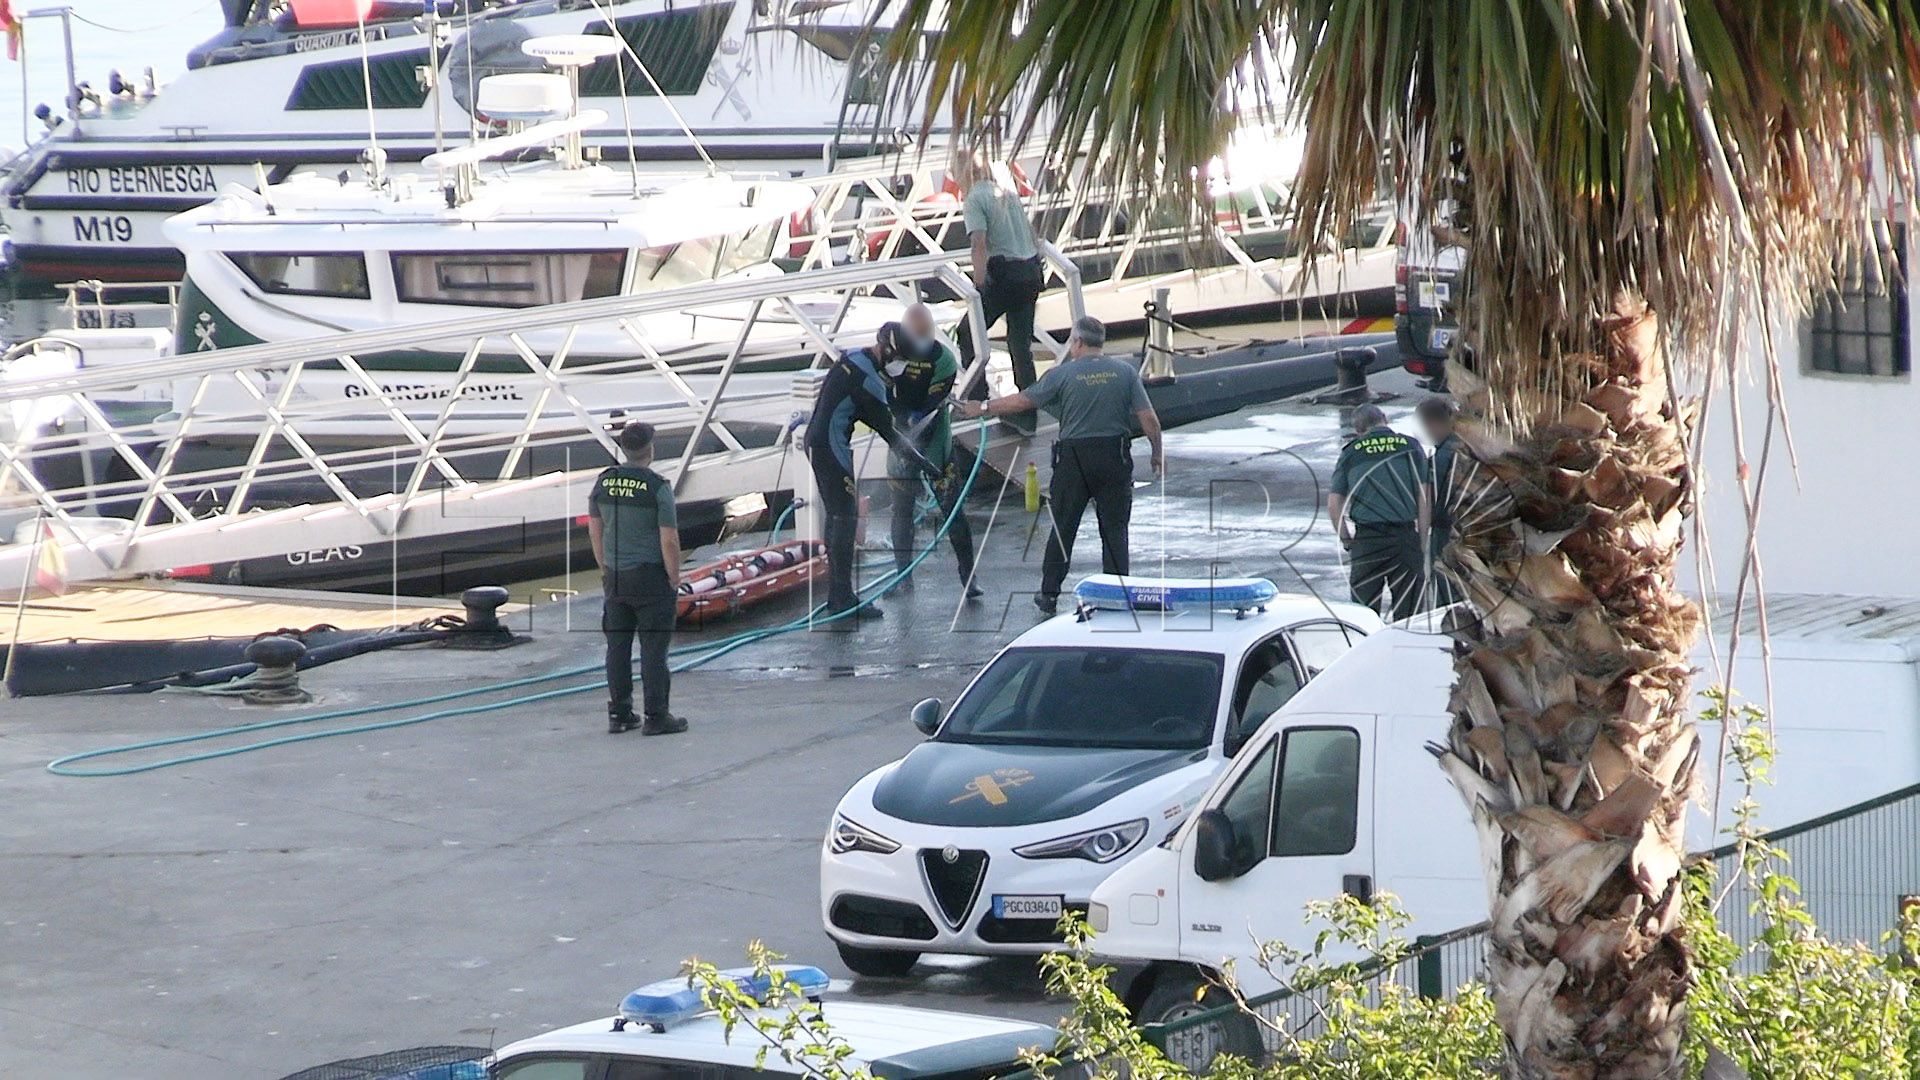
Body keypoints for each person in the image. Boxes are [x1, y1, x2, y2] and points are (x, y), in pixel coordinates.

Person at [960, 315, 1163, 615]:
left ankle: (1049, 594)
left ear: (1077, 342)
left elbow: (1023, 402)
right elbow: (1149, 419)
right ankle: (1117, 595)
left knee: (1064, 527)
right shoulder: (1125, 373)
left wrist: (984, 408)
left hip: (1074, 459)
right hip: (1113, 457)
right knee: (1115, 530)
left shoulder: (1062, 375)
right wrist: (1157, 451)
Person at [806, 322, 943, 624]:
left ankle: (837, 596)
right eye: (899, 360)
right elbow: (893, 437)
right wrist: (927, 466)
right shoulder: (870, 382)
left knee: (837, 516)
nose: (900, 366)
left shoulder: (853, 358)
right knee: (844, 518)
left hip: (817, 442)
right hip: (831, 447)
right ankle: (841, 600)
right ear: (887, 351)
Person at [588, 422, 687, 736]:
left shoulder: (603, 483)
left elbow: (595, 529)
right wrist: (674, 577)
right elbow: (668, 538)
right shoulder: (657, 487)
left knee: (617, 647)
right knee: (653, 650)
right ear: (650, 449)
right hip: (651, 579)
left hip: (616, 578)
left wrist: (606, 567)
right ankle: (656, 716)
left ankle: (620, 714)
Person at [885, 303, 982, 598]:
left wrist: (912, 422)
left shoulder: (944, 360)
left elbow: (930, 405)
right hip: (901, 440)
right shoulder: (892, 352)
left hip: (934, 441)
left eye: (924, 334)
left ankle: (969, 577)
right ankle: (904, 577)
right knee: (901, 510)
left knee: (952, 509)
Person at [954, 148, 1045, 397]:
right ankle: (1028, 406)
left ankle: (978, 399)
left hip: (1005, 276)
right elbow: (1032, 235)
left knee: (968, 332)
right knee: (1019, 345)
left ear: (965, 175)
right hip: (1030, 272)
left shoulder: (974, 199)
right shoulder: (1007, 193)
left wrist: (979, 286)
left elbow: (979, 245)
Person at [1327, 404, 1430, 621]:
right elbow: (1424, 497)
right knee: (1409, 614)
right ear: (1385, 419)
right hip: (1404, 538)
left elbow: (1334, 503)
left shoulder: (1352, 452)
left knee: (1363, 616)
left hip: (1367, 541)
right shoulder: (1410, 446)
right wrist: (1421, 541)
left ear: (1358, 429)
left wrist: (1346, 538)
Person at [1416, 395, 1464, 606]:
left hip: (1447, 535)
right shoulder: (1469, 446)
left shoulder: (1440, 459)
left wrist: (1424, 542)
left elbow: (1429, 503)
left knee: (1448, 597)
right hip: (1473, 533)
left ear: (1433, 424)